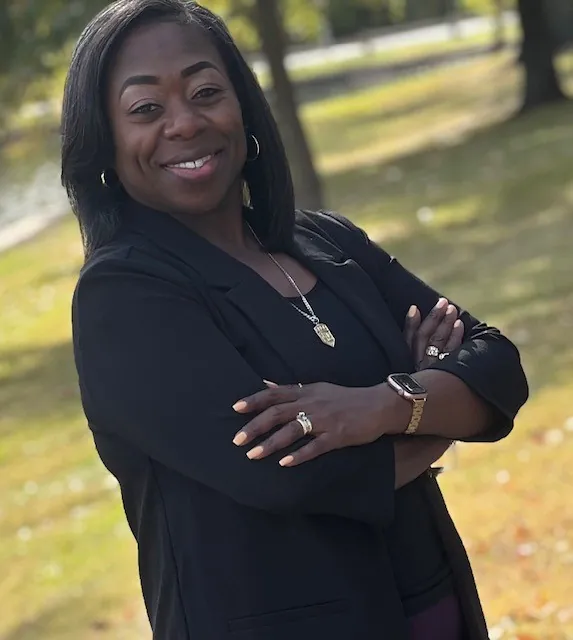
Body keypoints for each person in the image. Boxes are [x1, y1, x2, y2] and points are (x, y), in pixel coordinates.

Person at [62, 1, 529, 638]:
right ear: (105, 141)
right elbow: (292, 476)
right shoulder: (124, 295)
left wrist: (381, 407)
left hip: (433, 601)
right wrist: (436, 405)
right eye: (145, 108)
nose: (185, 122)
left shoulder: (326, 241)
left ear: (243, 107)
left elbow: (498, 368)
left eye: (206, 92)